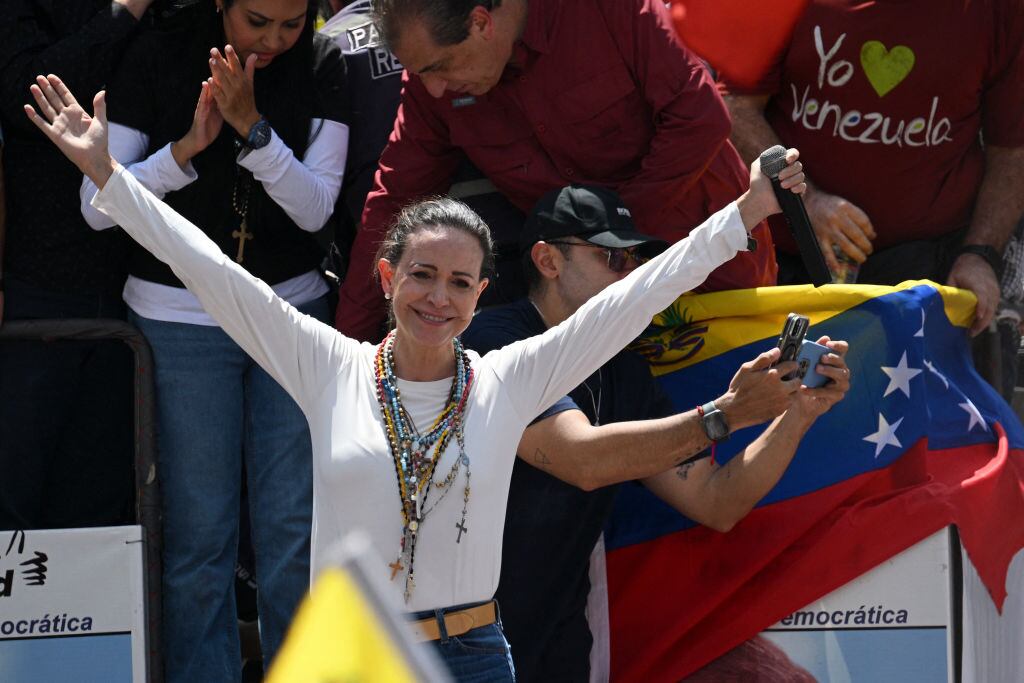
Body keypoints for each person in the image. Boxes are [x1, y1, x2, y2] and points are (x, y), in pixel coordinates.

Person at [24, 73, 812, 681]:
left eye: (461, 283)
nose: (440, 296)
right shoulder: (327, 362)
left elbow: (639, 295)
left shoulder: (510, 377)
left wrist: (744, 213)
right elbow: (210, 271)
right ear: (388, 275)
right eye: (423, 275)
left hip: (472, 653)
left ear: (481, 294)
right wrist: (110, 176)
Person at [462, 184, 850, 681]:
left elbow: (716, 503)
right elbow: (580, 460)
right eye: (612, 257)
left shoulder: (626, 373)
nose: (633, 273)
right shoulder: (493, 339)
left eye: (639, 259)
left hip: (556, 645)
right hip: (463, 643)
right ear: (547, 260)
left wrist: (797, 414)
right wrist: (726, 414)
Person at [76, 0, 349, 678]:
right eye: (258, 21)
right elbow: (97, 208)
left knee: (292, 530)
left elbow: (316, 207)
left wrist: (253, 130)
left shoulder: (324, 61)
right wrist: (182, 152)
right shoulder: (157, 51)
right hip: (180, 317)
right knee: (200, 534)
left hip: (292, 317)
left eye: (293, 23)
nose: (275, 39)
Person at [334, 0, 780, 341]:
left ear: (481, 22)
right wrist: (350, 347)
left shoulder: (604, 9)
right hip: (587, 309)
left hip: (716, 270)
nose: (433, 88)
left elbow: (700, 117)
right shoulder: (430, 85)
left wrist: (610, 237)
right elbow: (393, 204)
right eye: (420, 73)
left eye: (439, 67)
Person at [720, 0, 1024, 342]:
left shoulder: (999, 10)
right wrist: (806, 201)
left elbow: (1012, 151)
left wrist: (980, 254)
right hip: (785, 265)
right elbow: (736, 108)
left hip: (929, 270)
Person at [0, 0, 155, 532]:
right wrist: (125, 13)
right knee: (16, 486)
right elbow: (28, 95)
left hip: (136, 290)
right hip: (35, 286)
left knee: (102, 498)